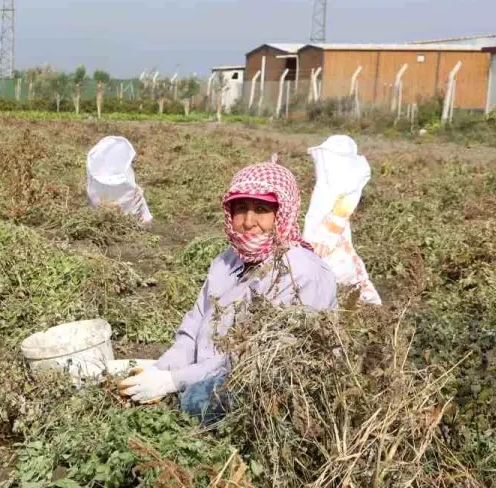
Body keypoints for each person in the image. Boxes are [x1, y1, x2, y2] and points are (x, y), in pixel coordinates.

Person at [118, 161, 337, 423]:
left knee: (196, 401)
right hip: (212, 370)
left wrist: (173, 381)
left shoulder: (299, 272)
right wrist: (160, 369)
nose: (248, 222)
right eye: (241, 209)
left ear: (282, 213)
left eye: (262, 210)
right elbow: (193, 326)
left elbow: (255, 357)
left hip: (269, 382)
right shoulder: (226, 261)